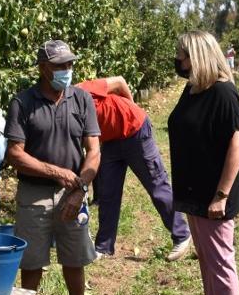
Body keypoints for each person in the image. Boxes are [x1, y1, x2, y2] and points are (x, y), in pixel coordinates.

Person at [4, 40, 102, 295]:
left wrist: (80, 189)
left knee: (75, 257)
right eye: (60, 65)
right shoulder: (23, 102)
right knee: (32, 261)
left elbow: (94, 151)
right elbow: (15, 154)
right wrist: (55, 172)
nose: (67, 69)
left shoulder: (81, 99)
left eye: (70, 63)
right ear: (43, 68)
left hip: (73, 191)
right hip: (34, 193)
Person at [167, 30, 239, 295]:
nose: (178, 60)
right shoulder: (193, 89)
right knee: (207, 260)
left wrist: (221, 194)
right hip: (194, 191)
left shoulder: (223, 93)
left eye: (182, 55)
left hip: (214, 194)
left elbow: (237, 144)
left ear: (198, 56)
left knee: (221, 261)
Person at [76, 75, 191, 261]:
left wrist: (131, 107)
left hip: (135, 130)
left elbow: (120, 82)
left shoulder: (82, 90)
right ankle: (103, 247)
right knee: (107, 193)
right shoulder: (61, 117)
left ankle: (182, 235)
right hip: (110, 140)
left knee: (156, 185)